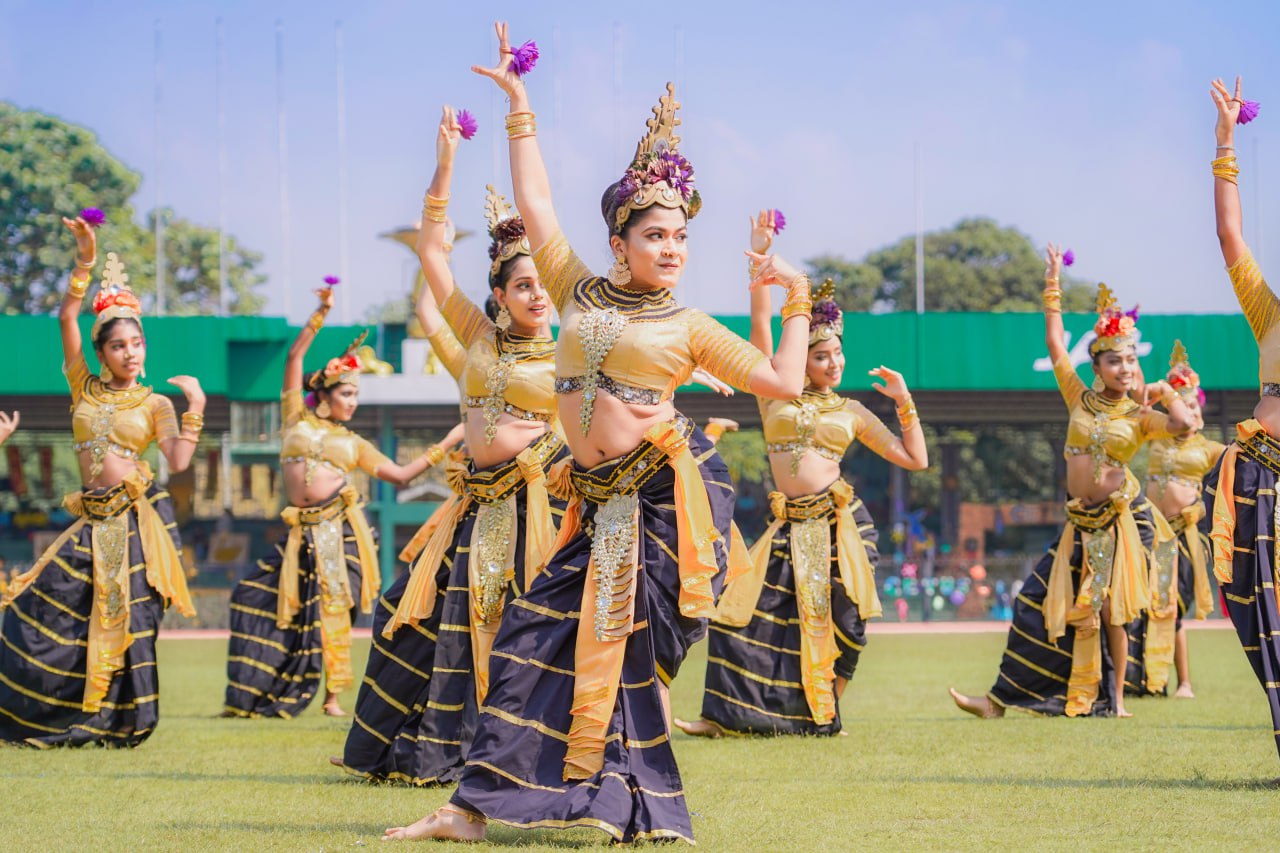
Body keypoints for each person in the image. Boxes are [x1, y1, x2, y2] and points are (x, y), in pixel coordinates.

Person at [382, 23, 812, 845]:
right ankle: (476, 807)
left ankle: (639, 812)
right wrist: (520, 108)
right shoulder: (576, 290)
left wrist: (793, 293)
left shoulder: (690, 327)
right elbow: (536, 201)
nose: (673, 248)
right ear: (617, 242)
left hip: (658, 502)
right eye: (656, 234)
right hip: (596, 508)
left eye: (682, 236)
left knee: (618, 654)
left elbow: (784, 381)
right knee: (530, 640)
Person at [339, 113, 573, 780]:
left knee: (518, 626)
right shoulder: (474, 335)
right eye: (522, 285)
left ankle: (517, 753)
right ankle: (417, 747)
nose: (537, 296)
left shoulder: (568, 348)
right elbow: (433, 253)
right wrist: (445, 163)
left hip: (533, 515)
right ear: (498, 294)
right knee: (412, 615)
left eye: (543, 286)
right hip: (470, 510)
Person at [678, 213, 928, 737]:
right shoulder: (776, 398)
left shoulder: (853, 411)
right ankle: (722, 717)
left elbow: (915, 461)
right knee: (741, 613)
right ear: (803, 359)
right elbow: (761, 328)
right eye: (821, 355)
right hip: (789, 526)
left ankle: (828, 709)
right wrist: (761, 258)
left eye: (837, 352)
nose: (834, 362)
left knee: (849, 622)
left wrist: (904, 402)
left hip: (842, 527)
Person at [949, 247, 1189, 719]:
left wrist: (1161, 390)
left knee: (1108, 611)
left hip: (1120, 522)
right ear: (1096, 366)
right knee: (1032, 600)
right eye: (1114, 361)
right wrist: (1052, 283)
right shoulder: (1077, 397)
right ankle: (1000, 701)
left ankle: (1115, 702)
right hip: (1077, 522)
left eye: (1130, 361)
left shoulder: (1140, 416)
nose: (1124, 369)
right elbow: (1057, 344)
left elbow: (1181, 423)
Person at [0, 214, 202, 746]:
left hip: (133, 525)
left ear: (144, 346)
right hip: (89, 522)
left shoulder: (156, 402)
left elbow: (178, 461)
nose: (129, 353)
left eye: (135, 344)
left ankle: (117, 718)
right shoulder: (82, 387)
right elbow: (67, 315)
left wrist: (196, 407)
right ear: (101, 352)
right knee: (44, 606)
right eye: (117, 346)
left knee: (128, 622)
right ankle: (52, 709)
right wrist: (85, 262)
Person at [223, 284, 460, 719]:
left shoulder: (354, 444)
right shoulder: (294, 415)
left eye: (356, 395)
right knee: (251, 597)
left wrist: (447, 441)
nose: (353, 402)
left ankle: (333, 695)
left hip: (338, 531)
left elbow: (401, 474)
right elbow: (294, 359)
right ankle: (256, 691)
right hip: (299, 532)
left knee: (334, 607)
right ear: (327, 394)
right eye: (347, 393)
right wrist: (320, 313)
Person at [1204, 75, 1280, 761]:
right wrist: (1225, 142)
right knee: (1267, 623)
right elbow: (1231, 237)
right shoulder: (1271, 313)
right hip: (1261, 487)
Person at [1124, 342, 1224, 698]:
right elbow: (1138, 403)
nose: (1189, 412)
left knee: (1172, 607)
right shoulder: (1158, 437)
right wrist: (1136, 368)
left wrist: (1198, 510)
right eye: (1185, 405)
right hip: (1150, 534)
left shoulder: (1212, 450)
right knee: (1145, 604)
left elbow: (1224, 490)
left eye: (1193, 405)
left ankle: (1184, 682)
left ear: (1200, 413)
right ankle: (1146, 680)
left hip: (1184, 537)